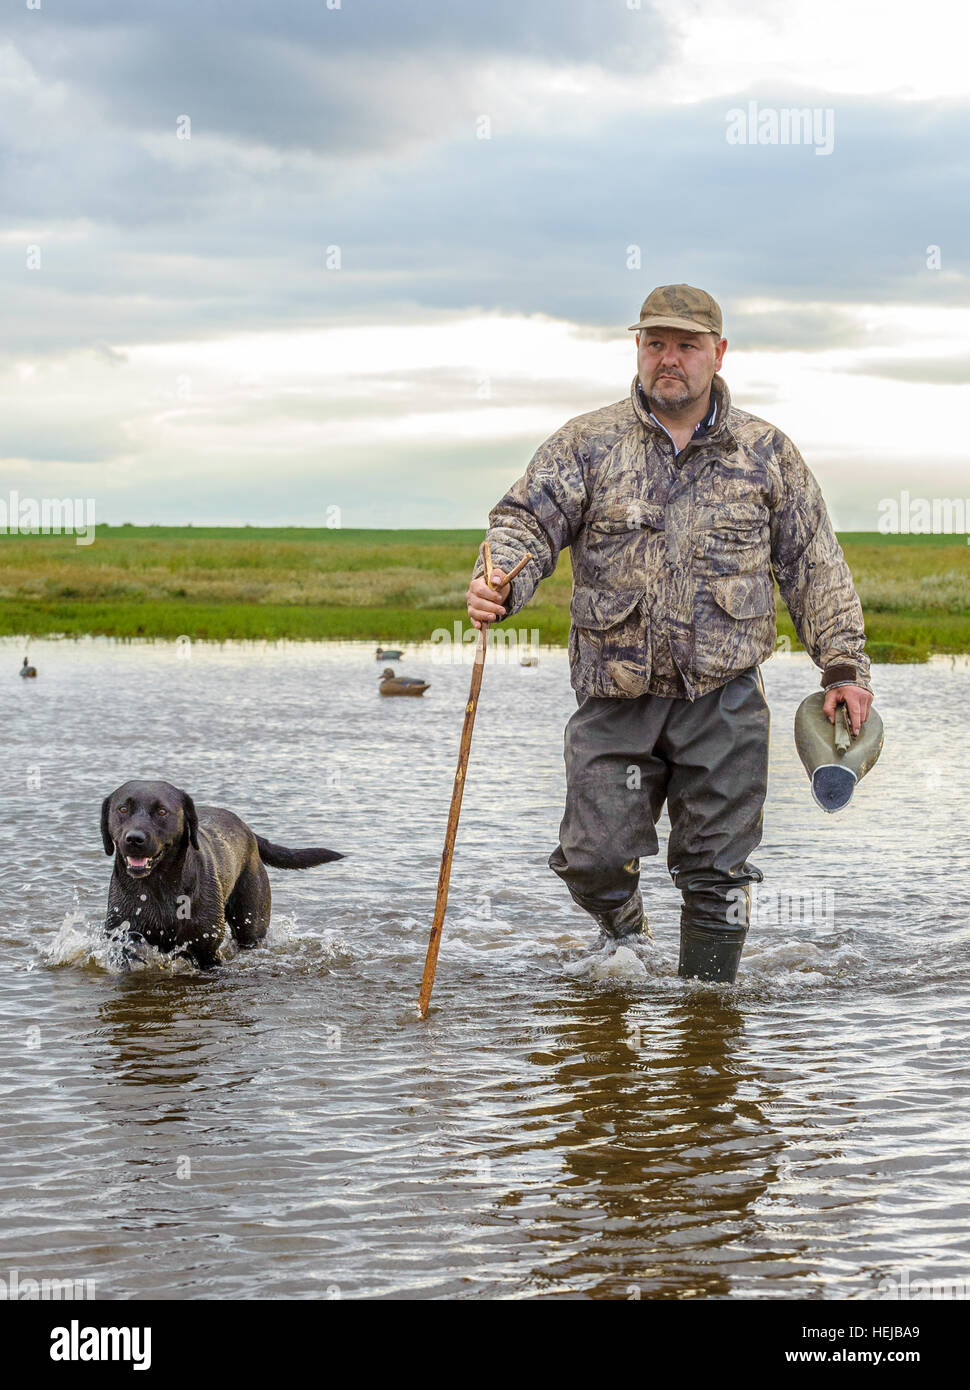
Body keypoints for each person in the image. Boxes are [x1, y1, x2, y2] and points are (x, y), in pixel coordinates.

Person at [465, 283, 874, 983]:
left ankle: (708, 1028)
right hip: (613, 692)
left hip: (725, 699)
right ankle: (623, 932)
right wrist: (500, 579)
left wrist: (843, 671)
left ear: (719, 353)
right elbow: (525, 523)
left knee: (719, 877)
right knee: (593, 857)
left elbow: (815, 564)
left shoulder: (766, 453)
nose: (669, 358)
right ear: (638, 350)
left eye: (686, 345)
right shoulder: (586, 444)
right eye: (656, 343)